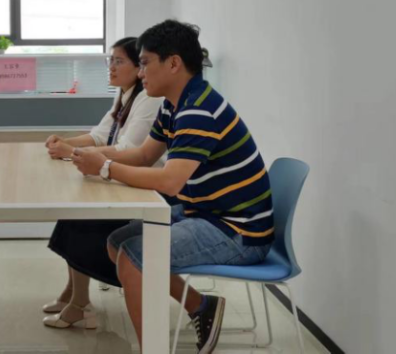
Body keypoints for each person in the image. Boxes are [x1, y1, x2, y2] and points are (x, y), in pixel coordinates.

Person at [70, 20, 274, 354]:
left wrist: (105, 167)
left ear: (174, 63)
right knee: (117, 243)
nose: (140, 73)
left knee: (133, 258)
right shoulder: (174, 103)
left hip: (237, 232)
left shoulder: (199, 110)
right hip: (207, 214)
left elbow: (169, 180)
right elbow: (145, 155)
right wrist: (91, 156)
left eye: (145, 63)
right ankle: (201, 306)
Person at [40, 37, 164, 329]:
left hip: (141, 185)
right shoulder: (125, 94)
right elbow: (100, 135)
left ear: (138, 68)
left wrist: (72, 152)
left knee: (82, 218)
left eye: (119, 61)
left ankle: (80, 304)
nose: (111, 67)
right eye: (111, 60)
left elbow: (128, 149)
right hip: (119, 176)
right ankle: (74, 294)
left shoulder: (149, 99)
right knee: (74, 210)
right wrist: (65, 142)